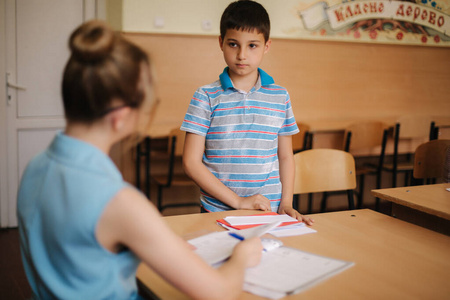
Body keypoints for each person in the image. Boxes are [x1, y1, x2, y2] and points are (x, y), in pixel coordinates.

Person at [17, 20, 263, 300]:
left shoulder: (35, 167)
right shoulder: (120, 202)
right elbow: (220, 293)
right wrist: (242, 257)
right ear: (121, 117)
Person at [181, 0, 314, 225]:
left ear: (266, 46)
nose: (242, 55)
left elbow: (285, 156)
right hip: (218, 210)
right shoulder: (205, 96)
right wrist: (238, 201)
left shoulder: (280, 96)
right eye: (234, 44)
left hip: (269, 209)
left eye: (252, 45)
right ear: (221, 43)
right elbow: (191, 163)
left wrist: (287, 202)